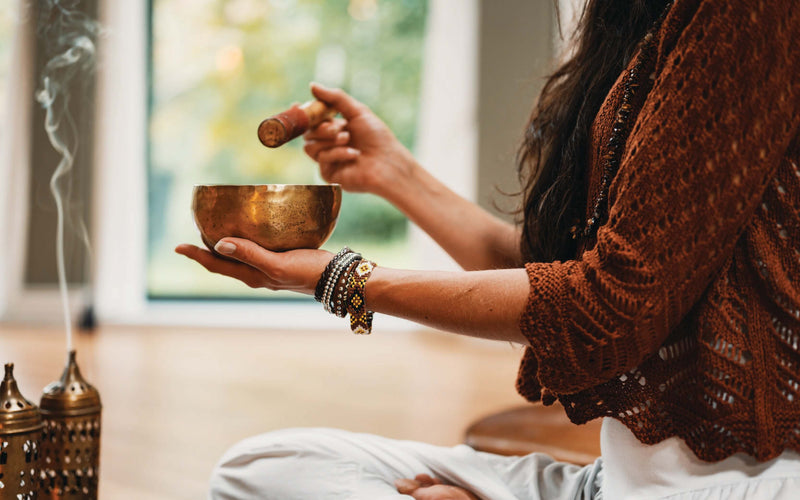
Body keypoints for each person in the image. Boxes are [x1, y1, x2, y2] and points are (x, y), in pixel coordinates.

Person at [175, 0, 800, 498]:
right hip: (609, 487)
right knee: (263, 467)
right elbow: (553, 279)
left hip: (729, 490)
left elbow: (608, 306)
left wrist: (341, 279)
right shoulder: (640, 19)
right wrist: (394, 173)